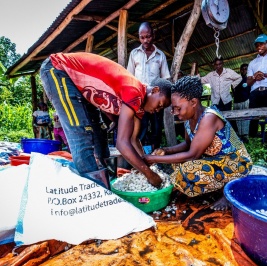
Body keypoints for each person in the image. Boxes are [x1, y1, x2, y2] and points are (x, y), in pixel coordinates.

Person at [40, 52, 172, 189]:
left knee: (99, 134)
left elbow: (133, 139)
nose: (157, 110)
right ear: (155, 90)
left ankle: (106, 184)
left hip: (78, 88)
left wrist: (145, 166)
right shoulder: (135, 91)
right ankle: (96, 193)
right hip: (59, 70)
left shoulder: (138, 106)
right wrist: (149, 174)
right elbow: (122, 143)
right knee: (81, 135)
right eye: (160, 105)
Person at [143, 76, 252, 210]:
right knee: (177, 165)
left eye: (178, 108)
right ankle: (215, 188)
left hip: (236, 163)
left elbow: (192, 155)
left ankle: (230, 191)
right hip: (215, 162)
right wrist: (166, 150)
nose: (175, 113)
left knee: (187, 170)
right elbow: (188, 145)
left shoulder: (209, 117)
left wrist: (153, 158)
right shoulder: (188, 119)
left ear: (193, 102)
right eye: (173, 109)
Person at [127, 22, 170, 150]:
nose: (145, 40)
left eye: (148, 36)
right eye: (142, 37)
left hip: (156, 100)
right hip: (140, 101)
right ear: (139, 37)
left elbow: (166, 79)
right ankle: (140, 155)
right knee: (141, 128)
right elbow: (129, 77)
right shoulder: (134, 54)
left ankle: (155, 156)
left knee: (157, 129)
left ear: (153, 35)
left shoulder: (160, 55)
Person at [247, 33, 267, 138]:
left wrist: (264, 75)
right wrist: (255, 77)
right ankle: (252, 139)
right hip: (254, 93)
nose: (259, 47)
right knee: (253, 117)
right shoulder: (252, 63)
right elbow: (248, 82)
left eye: (262, 44)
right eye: (257, 45)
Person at [233, 64, 251, 143]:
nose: (244, 70)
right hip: (237, 102)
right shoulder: (236, 80)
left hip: (245, 101)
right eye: (242, 69)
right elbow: (233, 90)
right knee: (237, 119)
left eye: (245, 69)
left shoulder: (249, 79)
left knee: (245, 119)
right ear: (240, 70)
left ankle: (245, 136)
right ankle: (239, 136)